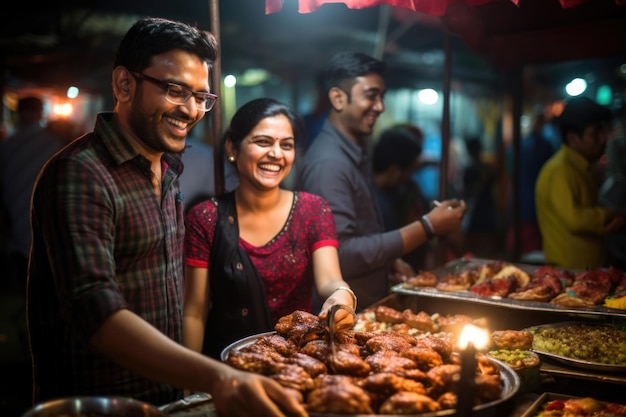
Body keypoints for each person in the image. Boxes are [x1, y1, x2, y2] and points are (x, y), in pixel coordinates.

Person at [26, 17, 307, 417]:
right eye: (176, 90)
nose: (192, 110)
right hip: (101, 403)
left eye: (201, 97)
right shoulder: (81, 172)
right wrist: (216, 377)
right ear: (125, 84)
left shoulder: (167, 168)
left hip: (165, 399)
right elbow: (95, 310)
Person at [183, 97, 356, 359]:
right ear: (233, 147)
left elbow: (330, 280)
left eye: (286, 145)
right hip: (228, 366)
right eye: (263, 142)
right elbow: (194, 312)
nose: (276, 154)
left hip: (296, 364)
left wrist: (343, 296)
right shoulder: (205, 217)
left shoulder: (313, 209)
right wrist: (190, 383)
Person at [297, 51, 466, 309]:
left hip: (368, 309)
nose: (380, 106)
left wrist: (387, 263)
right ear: (338, 98)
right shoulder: (329, 164)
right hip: (346, 318)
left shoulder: (354, 152)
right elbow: (341, 254)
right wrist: (428, 226)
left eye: (382, 97)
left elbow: (362, 232)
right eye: (371, 96)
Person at [536, 96, 624, 270]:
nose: (603, 139)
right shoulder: (560, 170)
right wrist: (612, 216)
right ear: (573, 138)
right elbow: (575, 219)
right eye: (595, 133)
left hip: (591, 270)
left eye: (603, 132)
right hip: (569, 275)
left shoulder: (583, 167)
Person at [0, 96, 63, 288]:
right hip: (44, 223)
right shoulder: (53, 145)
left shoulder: (7, 145)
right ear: (40, 114)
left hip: (16, 224)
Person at [372, 125, 432, 269]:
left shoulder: (393, 194)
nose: (410, 177)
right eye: (410, 170)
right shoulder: (370, 201)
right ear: (394, 170)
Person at [506, 114, 555, 255]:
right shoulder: (546, 146)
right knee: (531, 251)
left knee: (517, 249)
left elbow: (510, 176)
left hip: (518, 204)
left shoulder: (517, 146)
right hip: (534, 205)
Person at [461, 136, 499, 257]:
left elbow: (467, 192)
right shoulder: (487, 168)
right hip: (485, 210)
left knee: (477, 245)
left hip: (478, 211)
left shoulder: (472, 169)